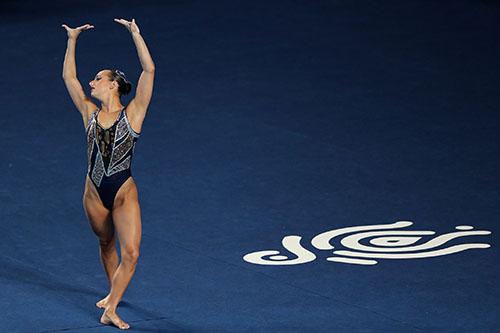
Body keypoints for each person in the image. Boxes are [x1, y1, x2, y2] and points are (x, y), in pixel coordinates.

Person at [61, 18, 155, 330]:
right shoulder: (89, 113)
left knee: (131, 252)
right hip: (93, 194)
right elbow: (69, 77)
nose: (92, 82)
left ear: (113, 84)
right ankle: (112, 292)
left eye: (98, 78)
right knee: (106, 243)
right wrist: (72, 39)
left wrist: (135, 35)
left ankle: (111, 307)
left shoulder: (133, 115)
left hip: (123, 191)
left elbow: (149, 71)